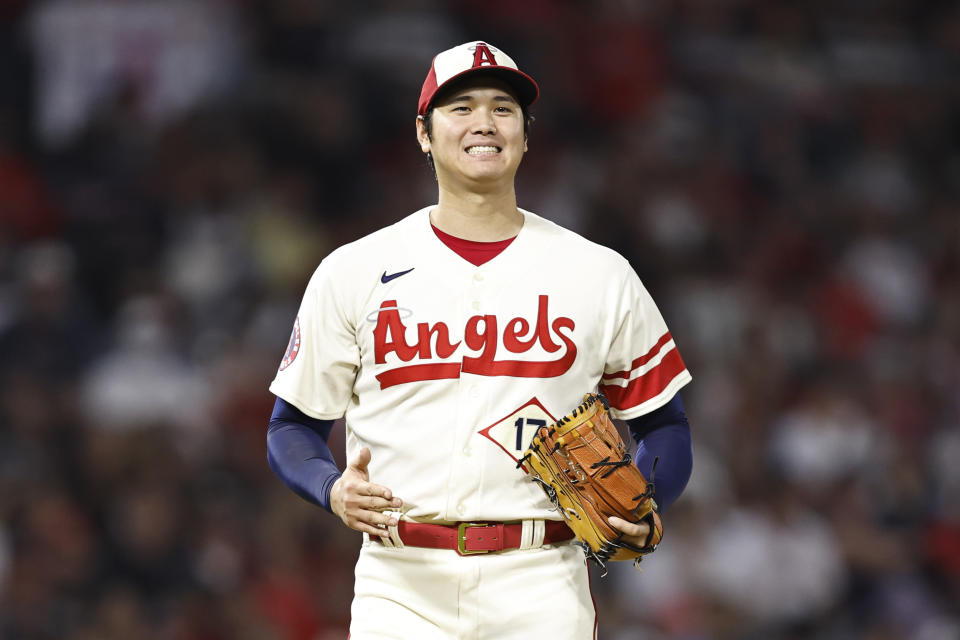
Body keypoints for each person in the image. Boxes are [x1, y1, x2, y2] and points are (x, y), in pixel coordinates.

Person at [266, 40, 694, 639]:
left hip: (541, 579)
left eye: (503, 107)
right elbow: (291, 427)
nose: (484, 122)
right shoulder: (354, 271)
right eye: (461, 107)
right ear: (423, 132)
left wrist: (645, 500)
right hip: (400, 583)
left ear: (525, 132)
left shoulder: (598, 272)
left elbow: (664, 424)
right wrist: (330, 486)